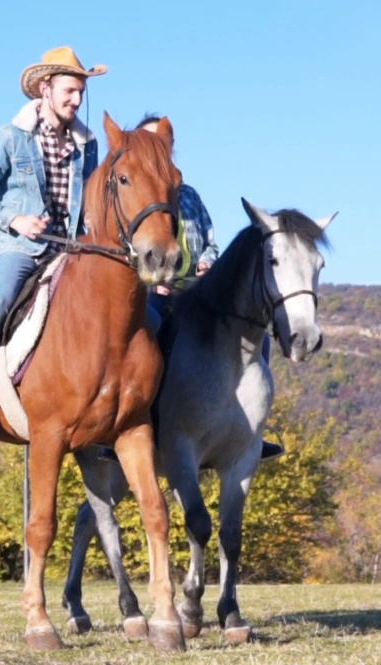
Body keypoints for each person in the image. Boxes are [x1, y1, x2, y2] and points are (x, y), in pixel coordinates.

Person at [0, 47, 107, 432]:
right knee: (1, 299)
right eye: (70, 90)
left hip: (70, 249)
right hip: (21, 249)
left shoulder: (88, 145)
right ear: (45, 89)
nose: (77, 99)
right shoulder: (10, 138)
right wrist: (15, 219)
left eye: (82, 92)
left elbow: (88, 200)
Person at [134, 114, 283, 461]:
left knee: (253, 334)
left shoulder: (189, 195)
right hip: (153, 290)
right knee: (150, 332)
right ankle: (139, 423)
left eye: (162, 141)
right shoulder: (136, 193)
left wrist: (207, 262)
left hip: (198, 292)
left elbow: (210, 241)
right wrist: (156, 280)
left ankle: (251, 432)